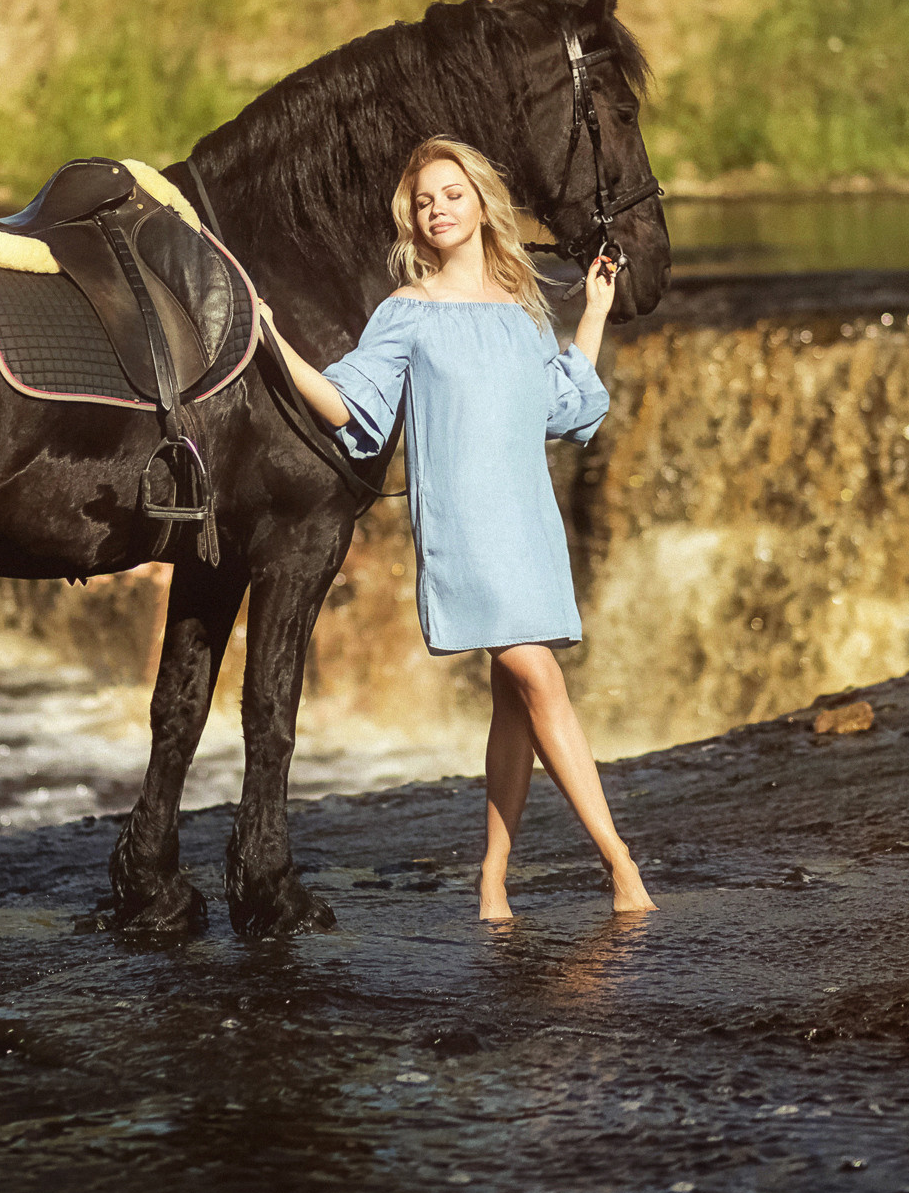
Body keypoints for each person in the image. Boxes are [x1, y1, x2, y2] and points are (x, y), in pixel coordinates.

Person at [256, 135, 657, 920]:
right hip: (466, 528)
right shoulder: (406, 312)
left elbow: (562, 405)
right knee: (540, 677)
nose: (437, 209)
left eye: (451, 194)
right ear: (411, 220)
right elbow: (350, 407)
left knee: (516, 700)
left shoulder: (522, 311)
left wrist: (595, 313)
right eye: (423, 201)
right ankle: (621, 865)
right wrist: (271, 339)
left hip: (527, 523)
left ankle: (493, 879)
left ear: (480, 203)